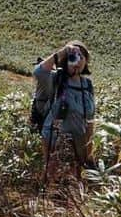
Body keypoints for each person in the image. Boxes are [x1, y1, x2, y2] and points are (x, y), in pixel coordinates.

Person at [33, 41, 96, 183]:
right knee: (53, 178)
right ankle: (46, 201)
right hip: (54, 139)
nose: (77, 61)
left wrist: (89, 151)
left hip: (79, 140)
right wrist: (63, 51)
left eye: (81, 56)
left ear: (86, 61)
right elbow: (38, 72)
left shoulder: (87, 85)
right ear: (65, 61)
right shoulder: (56, 79)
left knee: (75, 181)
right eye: (73, 57)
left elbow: (91, 119)